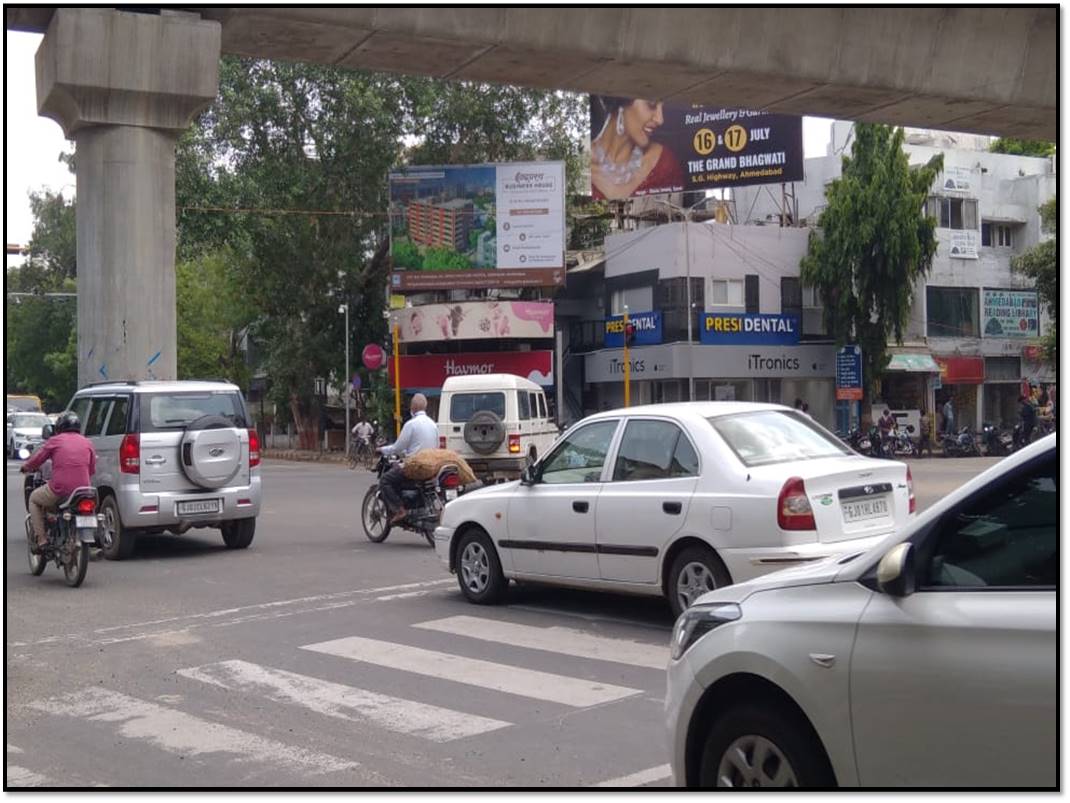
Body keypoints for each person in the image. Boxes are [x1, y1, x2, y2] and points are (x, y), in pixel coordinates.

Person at [20, 411, 96, 554]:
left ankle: (42, 539)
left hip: (60, 489)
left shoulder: (55, 440)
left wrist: (26, 467)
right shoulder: (87, 442)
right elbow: (92, 469)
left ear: (60, 427)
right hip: (84, 490)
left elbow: (38, 459)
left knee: (34, 499)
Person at [590, 96, 685, 201]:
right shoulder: (581, 167)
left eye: (662, 107)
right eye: (652, 104)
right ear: (621, 104)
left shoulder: (664, 164)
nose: (660, 119)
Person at [377, 393, 439, 524]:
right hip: (430, 467)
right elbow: (435, 446)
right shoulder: (433, 425)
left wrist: (382, 450)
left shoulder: (411, 424)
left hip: (414, 468)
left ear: (413, 407)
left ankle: (400, 510)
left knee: (385, 480)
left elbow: (397, 448)